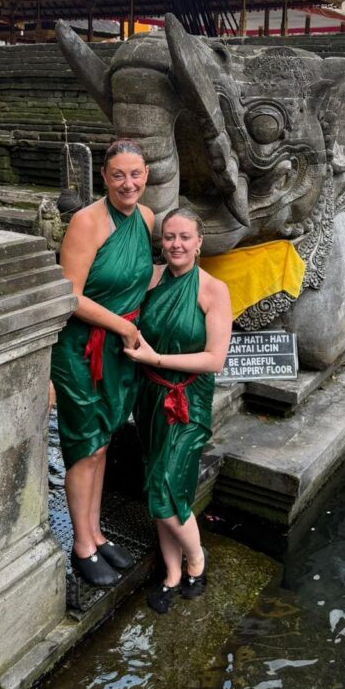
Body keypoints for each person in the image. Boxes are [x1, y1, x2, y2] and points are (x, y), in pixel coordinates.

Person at [51, 139, 155, 587]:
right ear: (105, 178)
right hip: (82, 349)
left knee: (104, 441)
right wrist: (122, 326)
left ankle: (95, 532)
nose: (127, 184)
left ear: (146, 176)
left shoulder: (148, 219)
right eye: (118, 175)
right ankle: (82, 545)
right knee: (84, 443)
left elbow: (143, 278)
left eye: (135, 175)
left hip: (120, 348)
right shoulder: (86, 222)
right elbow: (69, 295)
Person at [124, 206, 232, 614]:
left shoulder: (212, 290)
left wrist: (156, 359)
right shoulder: (152, 279)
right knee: (158, 483)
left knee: (167, 486)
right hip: (150, 398)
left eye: (185, 237)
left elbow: (215, 359)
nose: (176, 244)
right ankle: (171, 571)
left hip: (188, 401)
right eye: (169, 237)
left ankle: (197, 557)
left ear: (199, 242)